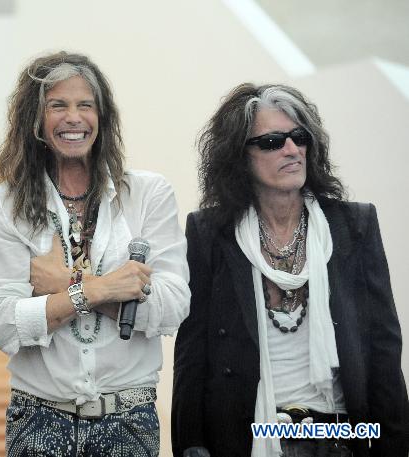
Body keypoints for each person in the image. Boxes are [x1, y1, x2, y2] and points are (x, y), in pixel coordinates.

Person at [171, 83, 409, 457]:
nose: (292, 149)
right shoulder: (210, 233)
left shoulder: (353, 225)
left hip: (342, 438)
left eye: (299, 137)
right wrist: (191, 443)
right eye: (272, 142)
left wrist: (395, 445)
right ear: (239, 156)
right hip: (249, 438)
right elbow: (192, 351)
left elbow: (382, 346)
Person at [0, 51, 190, 456]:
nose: (73, 118)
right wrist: (102, 289)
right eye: (58, 106)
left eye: (85, 105)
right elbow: (3, 324)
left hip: (130, 416)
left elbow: (173, 306)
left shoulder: (147, 195)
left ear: (102, 118)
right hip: (37, 417)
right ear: (35, 121)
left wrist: (64, 286)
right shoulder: (3, 207)